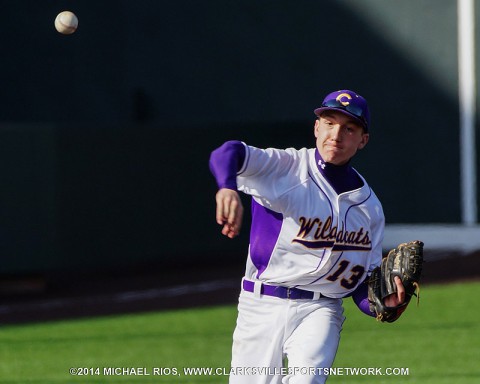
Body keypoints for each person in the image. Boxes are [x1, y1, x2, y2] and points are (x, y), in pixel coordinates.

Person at [209, 89, 405, 384]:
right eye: (329, 122)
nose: (336, 134)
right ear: (316, 127)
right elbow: (227, 152)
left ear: (362, 140)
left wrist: (385, 302)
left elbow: (361, 283)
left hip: (321, 308)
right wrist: (226, 187)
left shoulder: (370, 208)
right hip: (261, 304)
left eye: (349, 128)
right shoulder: (285, 168)